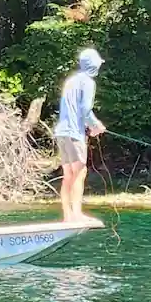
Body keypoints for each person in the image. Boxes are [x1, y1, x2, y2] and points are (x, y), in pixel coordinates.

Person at [53, 48, 107, 223]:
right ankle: (76, 214)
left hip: (61, 131)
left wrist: (89, 126)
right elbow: (84, 109)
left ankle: (68, 215)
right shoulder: (88, 82)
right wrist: (95, 125)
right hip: (74, 134)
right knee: (80, 172)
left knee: (68, 174)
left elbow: (71, 108)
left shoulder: (71, 81)